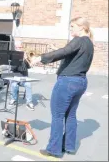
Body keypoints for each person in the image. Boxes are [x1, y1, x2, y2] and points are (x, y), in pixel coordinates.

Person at [31, 17, 94, 157]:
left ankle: (54, 149)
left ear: (81, 27)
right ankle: (69, 146)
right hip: (81, 82)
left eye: (72, 26)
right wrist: (57, 49)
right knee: (71, 115)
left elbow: (65, 52)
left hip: (68, 82)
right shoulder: (89, 43)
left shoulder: (79, 40)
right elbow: (71, 54)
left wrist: (41, 58)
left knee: (57, 116)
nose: (70, 29)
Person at [9, 44, 34, 110]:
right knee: (14, 85)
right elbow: (12, 68)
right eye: (18, 47)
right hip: (16, 78)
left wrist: (26, 59)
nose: (20, 48)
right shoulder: (14, 57)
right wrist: (18, 60)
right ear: (16, 48)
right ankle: (13, 99)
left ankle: (29, 102)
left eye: (21, 47)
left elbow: (29, 67)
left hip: (24, 78)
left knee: (28, 84)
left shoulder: (25, 58)